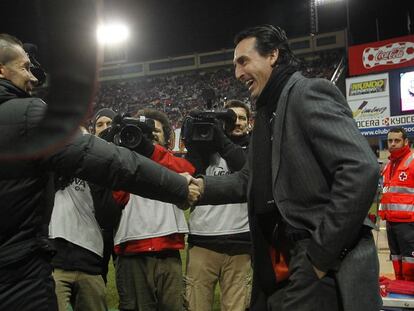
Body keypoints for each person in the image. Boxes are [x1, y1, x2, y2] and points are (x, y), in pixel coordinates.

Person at [0, 33, 198, 310]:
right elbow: (111, 162)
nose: (33, 78)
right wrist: (176, 185)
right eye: (24, 67)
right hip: (16, 271)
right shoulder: (25, 114)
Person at [189, 25, 381, 311]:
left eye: (243, 61)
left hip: (316, 259)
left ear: (273, 55)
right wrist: (202, 187)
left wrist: (320, 254)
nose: (238, 74)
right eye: (235, 65)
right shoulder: (268, 110)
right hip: (277, 261)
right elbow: (249, 180)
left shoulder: (308, 93)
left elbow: (361, 168)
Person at [114, 108, 195, 311]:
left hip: (168, 250)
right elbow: (115, 198)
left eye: (155, 131)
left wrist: (151, 151)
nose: (150, 136)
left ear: (167, 138)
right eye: (144, 131)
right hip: (131, 249)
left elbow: (189, 173)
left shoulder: (173, 161)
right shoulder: (122, 161)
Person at [185, 99, 252, 311]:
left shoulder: (255, 147)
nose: (237, 122)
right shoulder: (205, 146)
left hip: (240, 243)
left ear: (250, 123)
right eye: (231, 118)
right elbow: (192, 174)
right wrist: (193, 141)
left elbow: (244, 168)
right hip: (203, 240)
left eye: (242, 118)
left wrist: (221, 138)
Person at [379, 127, 414, 281]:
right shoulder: (388, 165)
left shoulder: (412, 161)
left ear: (406, 141)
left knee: (410, 263)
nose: (392, 144)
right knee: (396, 259)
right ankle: (400, 291)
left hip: (409, 224)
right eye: (390, 140)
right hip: (391, 223)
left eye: (397, 140)